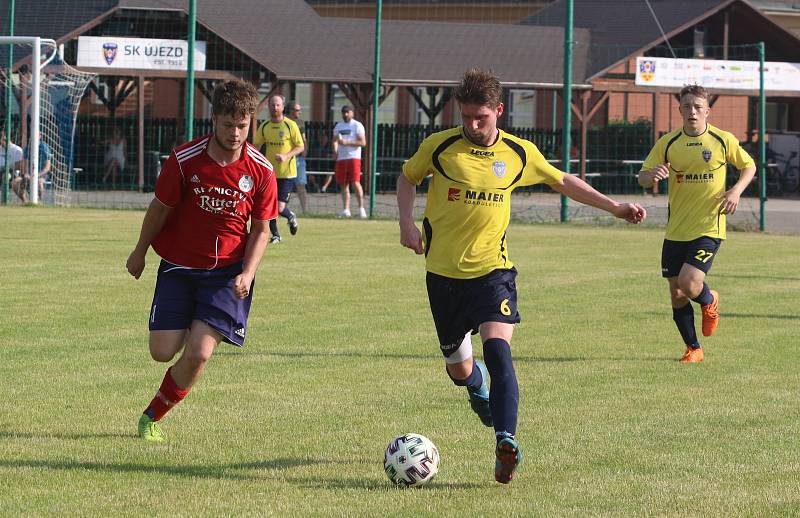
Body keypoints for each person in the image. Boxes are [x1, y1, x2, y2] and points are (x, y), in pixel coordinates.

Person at [397, 68, 646, 484]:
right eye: (466, 118)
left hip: (493, 272)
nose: (473, 126)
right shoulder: (439, 147)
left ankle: (505, 441)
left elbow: (562, 180)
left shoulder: (518, 152)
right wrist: (406, 224)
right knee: (460, 370)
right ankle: (478, 392)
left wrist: (615, 207)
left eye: (482, 118)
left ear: (499, 110)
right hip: (441, 276)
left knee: (498, 349)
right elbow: (407, 177)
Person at [126, 80, 278, 442]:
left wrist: (248, 272)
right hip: (179, 267)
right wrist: (139, 251)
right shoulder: (184, 159)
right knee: (162, 351)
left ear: (251, 122)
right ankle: (190, 327)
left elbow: (261, 230)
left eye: (243, 126)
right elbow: (160, 209)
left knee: (199, 353)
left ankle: (151, 417)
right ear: (214, 119)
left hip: (227, 274)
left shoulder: (261, 170)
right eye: (228, 125)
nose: (236, 133)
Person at [638, 84, 756, 364]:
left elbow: (748, 166)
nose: (692, 111)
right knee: (676, 293)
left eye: (698, 107)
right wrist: (652, 176)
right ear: (680, 110)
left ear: (707, 111)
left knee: (690, 283)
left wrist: (736, 191)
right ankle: (694, 349)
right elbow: (642, 177)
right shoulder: (668, 143)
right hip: (676, 229)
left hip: (709, 226)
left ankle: (708, 299)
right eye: (687, 106)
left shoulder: (722, 140)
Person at [253, 94, 304, 243]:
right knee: (269, 206)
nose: (275, 108)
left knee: (280, 207)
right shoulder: (265, 126)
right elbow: (256, 147)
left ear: (282, 107)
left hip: (287, 173)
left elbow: (300, 146)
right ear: (268, 107)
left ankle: (290, 216)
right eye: (272, 105)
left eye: (278, 105)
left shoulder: (290, 125)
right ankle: (276, 235)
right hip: (270, 174)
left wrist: (286, 156)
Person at [331, 105, 367, 218]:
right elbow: (334, 140)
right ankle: (346, 210)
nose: (345, 114)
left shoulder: (357, 125)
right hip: (341, 159)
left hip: (354, 158)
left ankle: (361, 209)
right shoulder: (338, 126)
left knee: (355, 182)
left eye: (347, 112)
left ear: (352, 112)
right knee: (343, 185)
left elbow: (363, 142)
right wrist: (335, 151)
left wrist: (347, 143)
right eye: (343, 112)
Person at [12, 132, 52, 203]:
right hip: (30, 174)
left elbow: (47, 168)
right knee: (15, 182)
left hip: (42, 175)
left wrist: (37, 175)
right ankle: (25, 201)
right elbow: (25, 164)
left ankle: (39, 201)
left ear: (40, 136)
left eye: (37, 135)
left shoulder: (44, 148)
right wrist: (27, 173)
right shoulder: (28, 148)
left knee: (39, 183)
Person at [286, 100, 310, 213]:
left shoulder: (300, 122)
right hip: (286, 158)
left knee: (301, 185)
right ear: (290, 111)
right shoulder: (283, 121)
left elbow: (304, 138)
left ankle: (305, 210)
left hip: (299, 158)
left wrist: (305, 150)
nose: (300, 112)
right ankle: (283, 210)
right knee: (286, 186)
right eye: (297, 110)